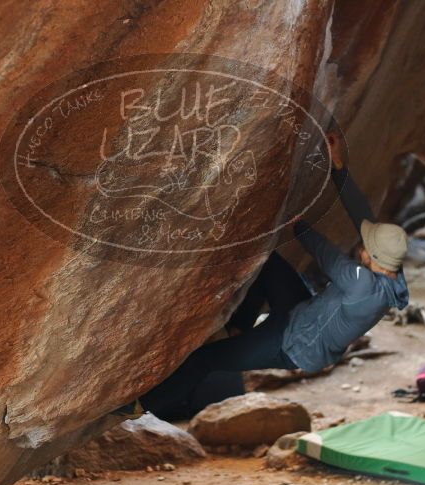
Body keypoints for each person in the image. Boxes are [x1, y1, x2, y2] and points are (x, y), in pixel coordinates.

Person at [140, 133, 410, 416]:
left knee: (203, 360)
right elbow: (362, 214)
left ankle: (141, 406)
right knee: (264, 260)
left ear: (373, 257)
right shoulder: (392, 270)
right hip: (303, 313)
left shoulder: (363, 287)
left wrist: (298, 224)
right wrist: (338, 167)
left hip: (292, 344)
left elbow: (327, 255)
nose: (361, 242)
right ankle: (239, 329)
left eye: (366, 245)